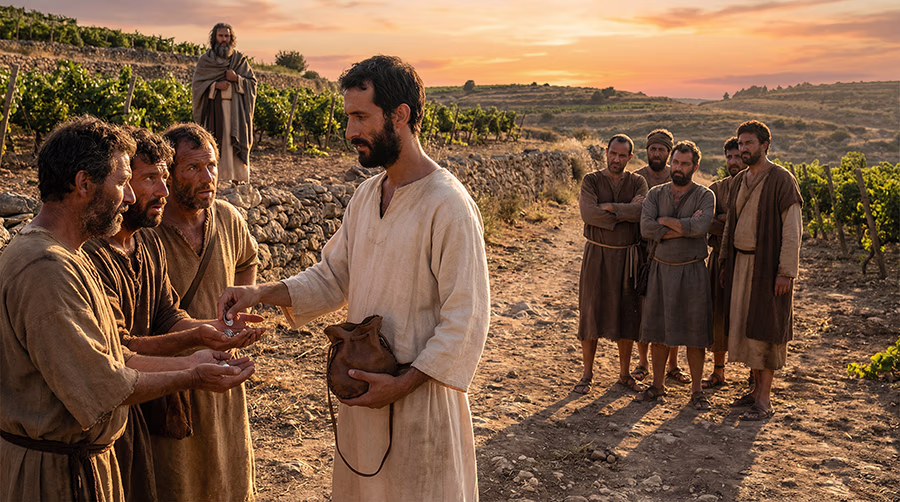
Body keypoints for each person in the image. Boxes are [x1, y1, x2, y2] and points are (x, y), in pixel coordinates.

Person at [217, 55, 490, 501]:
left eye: (361, 117)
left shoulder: (447, 204)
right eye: (348, 117)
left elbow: (467, 318)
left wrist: (402, 384)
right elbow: (332, 276)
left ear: (399, 116)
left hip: (420, 404)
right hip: (363, 396)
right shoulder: (366, 195)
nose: (349, 132)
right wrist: (260, 292)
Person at [0, 116, 254, 502]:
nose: (132, 197)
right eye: (123, 183)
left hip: (78, 469)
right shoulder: (45, 270)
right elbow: (106, 381)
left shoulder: (70, 256)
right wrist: (194, 373)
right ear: (84, 184)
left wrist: (201, 346)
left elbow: (120, 354)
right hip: (53, 478)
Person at [83, 127, 265, 502]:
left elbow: (169, 314)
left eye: (212, 166)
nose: (207, 178)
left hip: (206, 372)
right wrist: (196, 354)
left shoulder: (148, 244)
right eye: (152, 178)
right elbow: (120, 349)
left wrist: (218, 329)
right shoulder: (105, 251)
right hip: (149, 390)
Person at [151, 123, 260, 500]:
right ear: (170, 172)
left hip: (224, 368)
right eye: (193, 168)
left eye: (211, 166)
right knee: (177, 478)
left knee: (228, 471)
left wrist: (238, 307)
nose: (208, 177)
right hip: (170, 379)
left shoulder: (228, 218)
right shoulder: (149, 230)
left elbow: (248, 258)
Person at [719, 120, 803, 421]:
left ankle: (765, 401)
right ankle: (754, 391)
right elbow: (731, 223)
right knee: (746, 327)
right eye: (740, 143)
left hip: (767, 268)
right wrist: (726, 262)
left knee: (766, 327)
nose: (743, 149)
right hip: (741, 263)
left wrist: (785, 272)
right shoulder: (741, 179)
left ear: (765, 145)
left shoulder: (782, 180)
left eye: (749, 143)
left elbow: (793, 231)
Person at [635, 140, 715, 410]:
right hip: (660, 268)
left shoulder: (705, 196)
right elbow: (646, 228)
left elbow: (701, 226)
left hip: (693, 271)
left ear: (695, 166)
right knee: (658, 331)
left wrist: (665, 221)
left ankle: (696, 391)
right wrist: (684, 225)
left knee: (695, 334)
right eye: (676, 162)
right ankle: (657, 386)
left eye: (684, 163)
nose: (678, 168)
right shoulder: (655, 194)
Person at [573, 134, 648, 395]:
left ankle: (625, 374)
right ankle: (587, 374)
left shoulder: (638, 181)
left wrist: (611, 208)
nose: (616, 159)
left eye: (621, 155)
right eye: (612, 153)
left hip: (628, 257)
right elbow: (589, 214)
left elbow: (641, 212)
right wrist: (624, 212)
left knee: (628, 313)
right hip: (598, 255)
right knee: (590, 312)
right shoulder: (591, 180)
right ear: (606, 152)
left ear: (629, 157)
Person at [632, 128, 688, 386]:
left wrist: (661, 224)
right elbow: (638, 217)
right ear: (647, 151)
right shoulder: (637, 178)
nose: (657, 153)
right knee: (645, 310)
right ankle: (643, 362)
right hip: (643, 252)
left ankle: (673, 365)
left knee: (673, 310)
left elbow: (689, 219)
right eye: (653, 148)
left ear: (669, 152)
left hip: (674, 254)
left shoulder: (679, 177)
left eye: (662, 149)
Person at [701, 137, 746, 390]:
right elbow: (707, 222)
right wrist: (731, 221)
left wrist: (725, 218)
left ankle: (754, 372)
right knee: (718, 314)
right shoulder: (716, 189)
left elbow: (754, 224)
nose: (733, 162)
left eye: (737, 156)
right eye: (729, 157)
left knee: (748, 315)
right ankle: (719, 370)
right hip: (718, 259)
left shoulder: (756, 186)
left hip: (748, 261)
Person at [192, 22, 257, 185]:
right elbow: (197, 86)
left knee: (236, 141)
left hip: (236, 111)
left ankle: (237, 180)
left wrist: (237, 79)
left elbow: (253, 83)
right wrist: (215, 86)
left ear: (231, 38)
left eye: (227, 36)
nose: (224, 40)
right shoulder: (205, 61)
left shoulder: (239, 60)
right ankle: (215, 181)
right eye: (220, 36)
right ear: (214, 37)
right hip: (214, 110)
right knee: (216, 144)